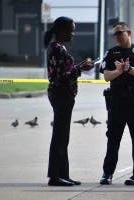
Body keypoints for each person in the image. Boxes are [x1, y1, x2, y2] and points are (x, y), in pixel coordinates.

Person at [44, 16, 94, 186]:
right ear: (62, 31)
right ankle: (55, 177)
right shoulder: (57, 48)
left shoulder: (58, 48)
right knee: (59, 136)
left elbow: (65, 71)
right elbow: (62, 78)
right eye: (71, 30)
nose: (73, 34)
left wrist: (79, 66)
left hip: (63, 95)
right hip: (61, 94)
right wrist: (81, 68)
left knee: (63, 136)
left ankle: (63, 174)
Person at [99, 22, 134, 185]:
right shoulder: (112, 53)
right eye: (114, 34)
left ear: (129, 32)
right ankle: (107, 174)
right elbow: (106, 76)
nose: (116, 37)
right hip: (117, 103)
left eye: (119, 33)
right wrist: (119, 71)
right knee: (113, 139)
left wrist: (130, 70)